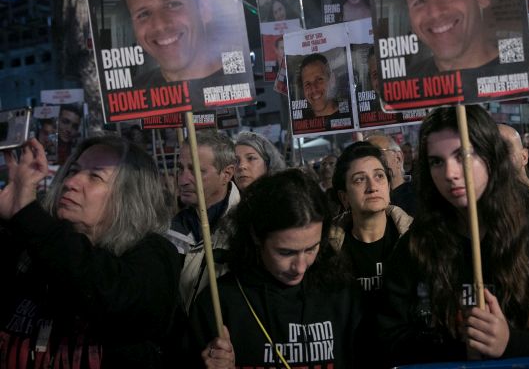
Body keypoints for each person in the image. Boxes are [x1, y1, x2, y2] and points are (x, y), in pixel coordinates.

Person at [377, 105, 529, 365]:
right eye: (436, 161)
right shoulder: (416, 246)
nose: (450, 174)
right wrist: (458, 350)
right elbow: (388, 338)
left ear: (491, 156)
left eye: (463, 156)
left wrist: (512, 344)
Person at [0, 136, 181, 367]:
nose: (71, 182)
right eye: (73, 171)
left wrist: (27, 214)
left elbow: (112, 294)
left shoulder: (154, 254)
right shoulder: (25, 245)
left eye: (95, 176)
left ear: (129, 195)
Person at [189, 169, 362, 368]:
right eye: (286, 253)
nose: (300, 267)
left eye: (311, 249)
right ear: (256, 236)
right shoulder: (221, 302)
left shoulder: (340, 293)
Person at [329, 141, 412, 368]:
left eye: (379, 176)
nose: (372, 186)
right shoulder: (327, 250)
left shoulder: (414, 240)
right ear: (344, 197)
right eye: (359, 179)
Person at [124, 0, 244, 89]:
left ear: (204, 8)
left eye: (173, 5)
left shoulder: (244, 76)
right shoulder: (131, 95)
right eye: (144, 14)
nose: (160, 25)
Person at [166, 130, 240, 313]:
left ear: (227, 174)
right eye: (180, 168)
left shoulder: (246, 226)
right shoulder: (171, 227)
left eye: (196, 171)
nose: (183, 180)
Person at [365, 133, 418, 216]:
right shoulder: (367, 202)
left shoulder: (422, 194)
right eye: (365, 155)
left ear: (398, 158)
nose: (369, 161)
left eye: (376, 153)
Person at [299, 53, 339, 117]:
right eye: (307, 84)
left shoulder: (350, 114)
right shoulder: (300, 122)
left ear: (332, 80)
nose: (314, 89)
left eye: (319, 79)